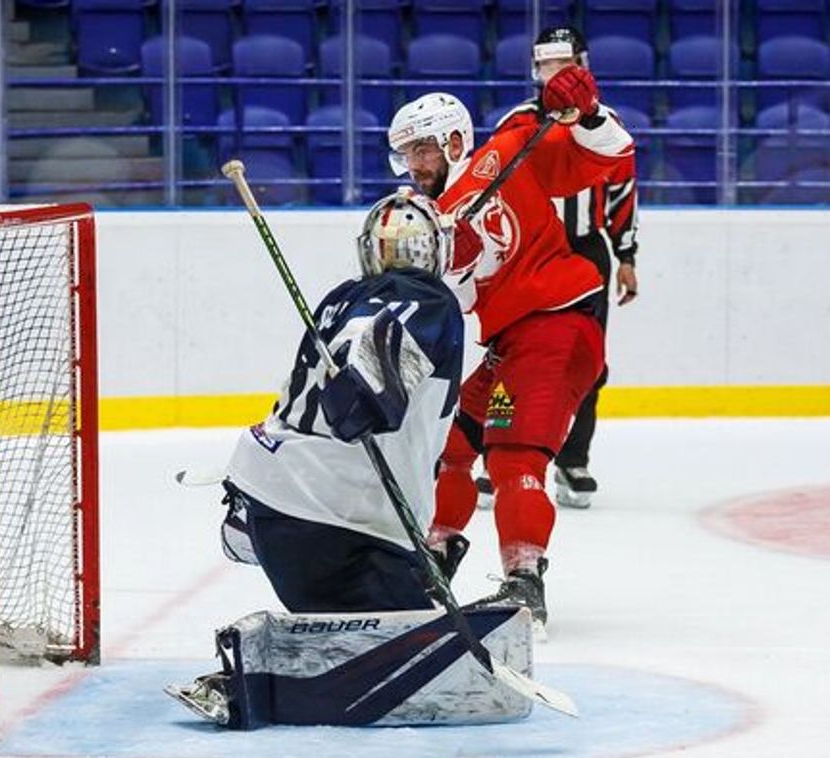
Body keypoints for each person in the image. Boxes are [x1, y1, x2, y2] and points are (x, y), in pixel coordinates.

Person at [169, 189, 488, 728]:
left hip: (271, 503)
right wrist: (370, 390)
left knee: (365, 620)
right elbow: (384, 346)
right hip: (344, 525)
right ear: (435, 252)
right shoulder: (431, 302)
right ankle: (256, 677)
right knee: (415, 659)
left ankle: (268, 651)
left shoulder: (340, 297)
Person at [386, 78, 634, 633]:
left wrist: (586, 111)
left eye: (421, 150)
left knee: (513, 454)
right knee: (453, 445)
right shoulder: (430, 219)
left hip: (559, 323)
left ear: (453, 142)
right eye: (406, 155)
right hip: (511, 343)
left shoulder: (508, 149)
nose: (413, 165)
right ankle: (438, 555)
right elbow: (456, 297)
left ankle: (525, 581)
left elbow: (611, 155)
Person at [475, 26, 641, 509]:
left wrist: (626, 255)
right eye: (545, 63)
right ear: (533, 68)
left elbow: (622, 191)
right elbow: (492, 185)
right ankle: (497, 457)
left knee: (586, 361)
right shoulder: (517, 121)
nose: (554, 72)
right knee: (507, 358)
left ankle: (573, 458)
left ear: (582, 65)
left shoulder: (604, 124)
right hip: (527, 253)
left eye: (562, 62)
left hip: (588, 253)